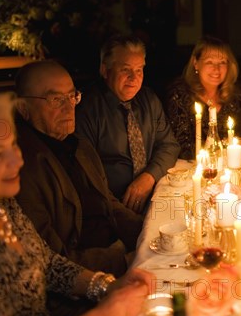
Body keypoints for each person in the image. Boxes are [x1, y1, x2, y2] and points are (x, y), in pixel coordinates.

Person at [0, 88, 156, 316]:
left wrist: (106, 285)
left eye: (13, 145)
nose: (18, 160)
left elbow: (46, 262)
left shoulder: (1, 204)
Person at [14, 60, 144, 316]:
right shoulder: (19, 167)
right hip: (80, 290)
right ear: (23, 108)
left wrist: (149, 233)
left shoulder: (78, 145)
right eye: (55, 99)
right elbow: (54, 260)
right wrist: (124, 260)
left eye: (72, 96)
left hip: (118, 259)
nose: (69, 106)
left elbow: (108, 202)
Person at [75, 34, 180, 213]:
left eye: (139, 70)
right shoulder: (88, 110)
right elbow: (86, 177)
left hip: (154, 196)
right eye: (126, 69)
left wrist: (149, 177)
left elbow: (169, 145)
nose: (134, 77)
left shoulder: (149, 100)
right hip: (111, 209)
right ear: (105, 70)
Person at [165, 35, 241, 160]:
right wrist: (232, 144)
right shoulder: (180, 95)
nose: (216, 69)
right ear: (196, 63)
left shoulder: (236, 95)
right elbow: (183, 149)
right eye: (209, 62)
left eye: (222, 62)